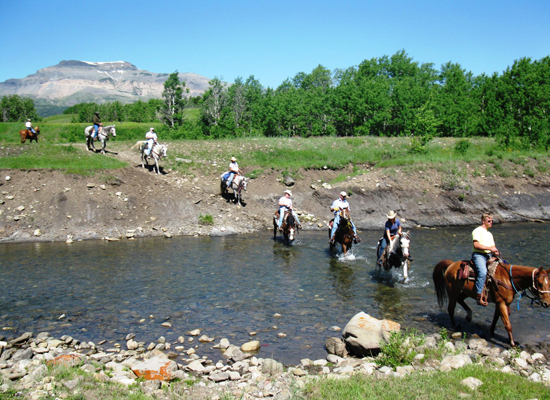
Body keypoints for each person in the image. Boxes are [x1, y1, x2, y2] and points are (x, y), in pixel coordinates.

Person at [471, 213, 499, 306]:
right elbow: (476, 245)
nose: (491, 223)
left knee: (503, 267)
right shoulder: (477, 231)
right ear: (483, 221)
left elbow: (493, 246)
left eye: (492, 221)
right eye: (489, 221)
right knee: (483, 272)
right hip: (479, 255)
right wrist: (490, 249)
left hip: (489, 255)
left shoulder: (489, 234)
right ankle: (478, 295)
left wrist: (495, 251)